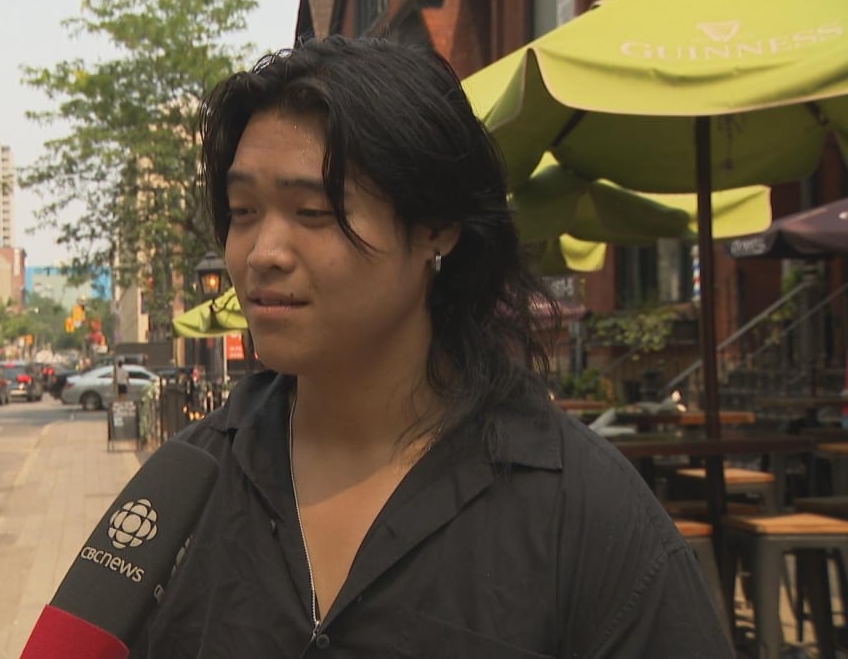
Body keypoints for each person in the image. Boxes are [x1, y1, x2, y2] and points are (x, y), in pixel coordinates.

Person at [127, 37, 731, 657]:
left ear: (436, 228)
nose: (261, 254)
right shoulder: (181, 492)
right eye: (243, 210)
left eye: (311, 212)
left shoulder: (582, 514)